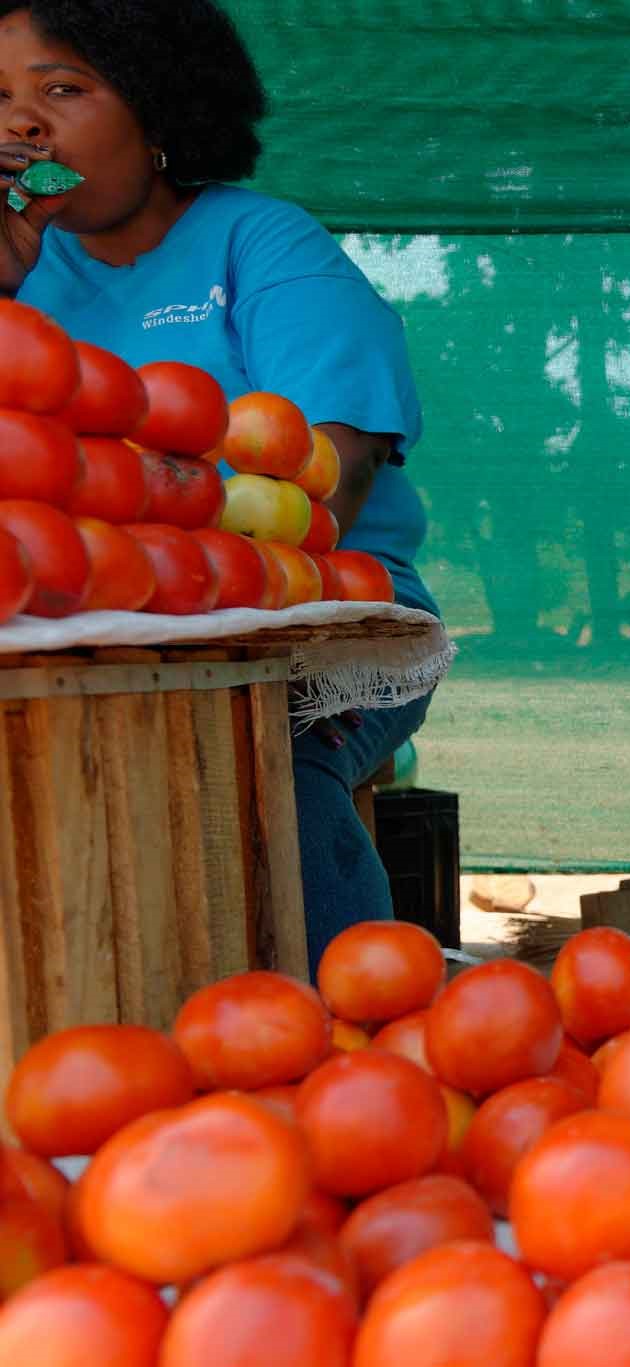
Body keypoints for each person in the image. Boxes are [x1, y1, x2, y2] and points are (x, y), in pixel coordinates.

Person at [1, 0, 434, 968]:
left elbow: (334, 479)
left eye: (62, 90)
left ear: (158, 112)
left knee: (255, 753)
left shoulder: (262, 243)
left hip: (318, 616)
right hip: (71, 618)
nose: (22, 125)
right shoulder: (17, 273)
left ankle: (356, 1023)